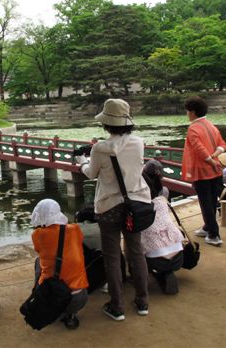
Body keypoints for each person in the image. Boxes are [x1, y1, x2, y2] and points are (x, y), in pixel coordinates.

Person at [75, 98, 150, 321]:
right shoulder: (139, 142)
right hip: (135, 205)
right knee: (136, 252)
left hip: (109, 207)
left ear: (106, 124)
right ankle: (142, 301)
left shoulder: (100, 148)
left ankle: (117, 306)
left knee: (112, 257)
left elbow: (90, 173)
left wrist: (81, 161)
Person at [31, 199, 88, 329]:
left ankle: (41, 298)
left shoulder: (37, 235)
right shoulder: (75, 229)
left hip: (53, 298)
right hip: (80, 298)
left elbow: (40, 251)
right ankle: (70, 315)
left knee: (39, 262)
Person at [181, 96, 226, 246]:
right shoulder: (210, 125)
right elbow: (222, 144)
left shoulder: (193, 128)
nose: (187, 114)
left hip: (203, 170)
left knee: (205, 202)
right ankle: (208, 227)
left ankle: (214, 235)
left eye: (188, 111)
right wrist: (215, 155)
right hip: (216, 170)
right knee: (212, 200)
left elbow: (197, 147)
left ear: (192, 112)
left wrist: (210, 159)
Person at [141, 161, 184, 294]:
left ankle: (144, 273)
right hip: (179, 257)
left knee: (136, 240)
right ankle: (165, 272)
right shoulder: (163, 195)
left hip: (156, 259)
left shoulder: (140, 202)